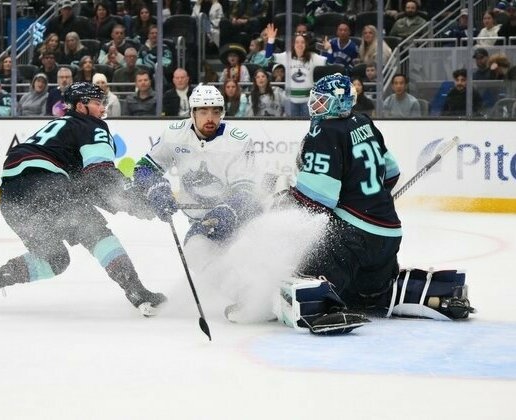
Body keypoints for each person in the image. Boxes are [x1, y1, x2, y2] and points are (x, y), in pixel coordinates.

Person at [272, 73, 472, 335]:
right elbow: (392, 174)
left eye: (321, 102)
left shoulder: (324, 132)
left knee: (303, 272)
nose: (315, 107)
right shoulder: (364, 122)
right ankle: (430, 294)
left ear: (338, 103)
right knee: (368, 293)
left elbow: (317, 200)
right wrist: (369, 200)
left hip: (351, 242)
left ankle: (322, 308)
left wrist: (285, 202)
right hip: (388, 238)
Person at [0, 82, 166, 316]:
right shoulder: (92, 126)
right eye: (97, 103)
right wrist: (135, 202)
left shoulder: (59, 127)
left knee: (54, 259)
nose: (102, 109)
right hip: (44, 185)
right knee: (96, 233)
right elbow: (101, 173)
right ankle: (138, 293)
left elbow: (86, 185)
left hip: (10, 196)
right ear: (81, 106)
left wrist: (128, 203)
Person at [132, 83, 260, 278]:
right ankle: (242, 296)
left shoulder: (238, 141)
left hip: (240, 217)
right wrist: (156, 189)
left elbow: (246, 191)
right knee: (195, 251)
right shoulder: (174, 134)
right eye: (203, 111)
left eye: (216, 112)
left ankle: (256, 292)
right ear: (192, 113)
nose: (210, 118)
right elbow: (144, 168)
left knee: (250, 257)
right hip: (202, 222)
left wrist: (228, 210)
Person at [264, 23, 326, 117]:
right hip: (291, 101)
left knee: (307, 128)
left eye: (302, 42)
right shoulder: (286, 56)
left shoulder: (312, 57)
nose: (300, 44)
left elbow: (328, 62)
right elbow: (268, 58)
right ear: (293, 44)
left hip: (308, 100)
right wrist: (271, 40)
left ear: (306, 44)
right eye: (297, 42)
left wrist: (328, 50)